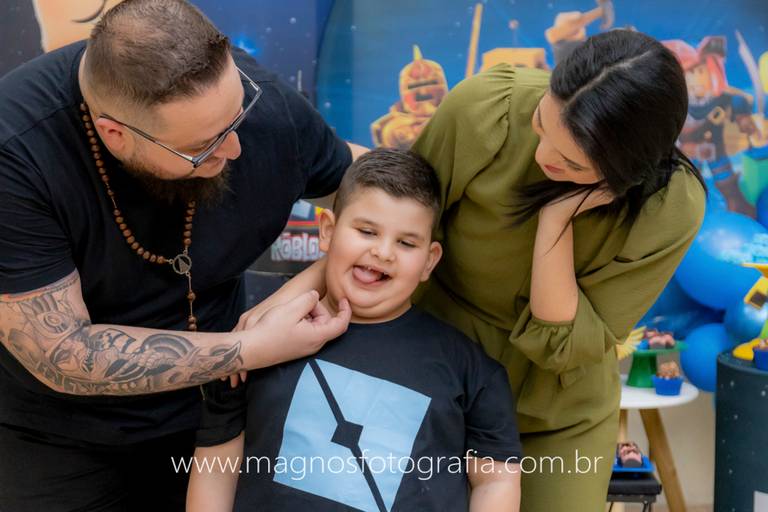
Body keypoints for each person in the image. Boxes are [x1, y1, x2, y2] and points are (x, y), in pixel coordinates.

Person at [0, 0, 366, 510]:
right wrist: (253, 348)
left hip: (223, 417)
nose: (234, 149)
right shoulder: (16, 152)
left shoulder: (254, 102)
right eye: (203, 147)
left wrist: (302, 286)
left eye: (237, 117)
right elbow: (61, 351)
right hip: (61, 439)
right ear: (115, 134)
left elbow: (372, 196)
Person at [410, 30, 707, 511]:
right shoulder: (485, 109)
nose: (542, 156)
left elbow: (566, 343)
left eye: (572, 161)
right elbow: (398, 231)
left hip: (559, 410)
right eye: (540, 123)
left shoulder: (671, 206)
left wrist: (555, 222)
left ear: (628, 171)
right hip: (433, 375)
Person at [187, 148, 522, 512]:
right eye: (366, 231)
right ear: (327, 231)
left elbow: (496, 480)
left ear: (430, 261)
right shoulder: (261, 340)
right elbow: (216, 465)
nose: (383, 252)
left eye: (406, 243)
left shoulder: (471, 371)